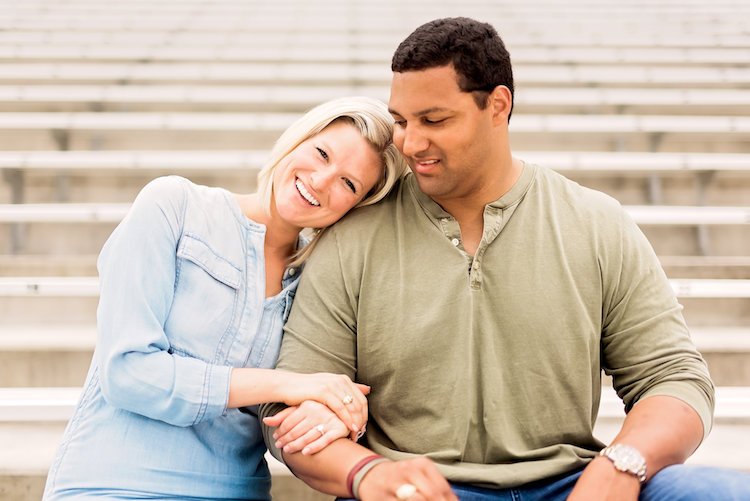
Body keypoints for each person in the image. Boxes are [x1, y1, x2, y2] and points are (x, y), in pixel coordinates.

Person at [259, 17, 750, 501]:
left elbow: (675, 378)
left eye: (434, 120)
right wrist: (367, 474)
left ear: (498, 105)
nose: (410, 143)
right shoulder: (352, 238)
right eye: (403, 122)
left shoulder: (597, 223)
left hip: (572, 484)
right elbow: (289, 410)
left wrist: (623, 464)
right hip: (419, 489)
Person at [42, 96, 409, 501]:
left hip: (236, 492)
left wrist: (339, 413)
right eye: (321, 153)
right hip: (114, 484)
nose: (321, 180)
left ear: (356, 208)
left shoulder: (319, 280)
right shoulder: (174, 206)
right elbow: (127, 373)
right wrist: (288, 383)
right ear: (298, 139)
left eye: (348, 183)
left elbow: (307, 405)